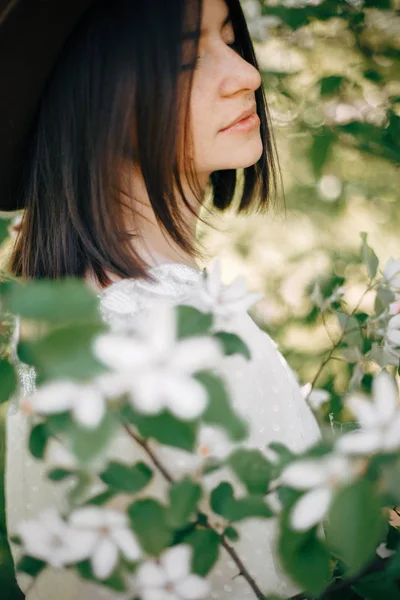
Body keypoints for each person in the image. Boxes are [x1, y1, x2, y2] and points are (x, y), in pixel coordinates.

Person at [2, 0, 321, 597]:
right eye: (185, 59)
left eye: (230, 40)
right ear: (97, 102)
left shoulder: (85, 313)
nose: (246, 75)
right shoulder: (156, 340)